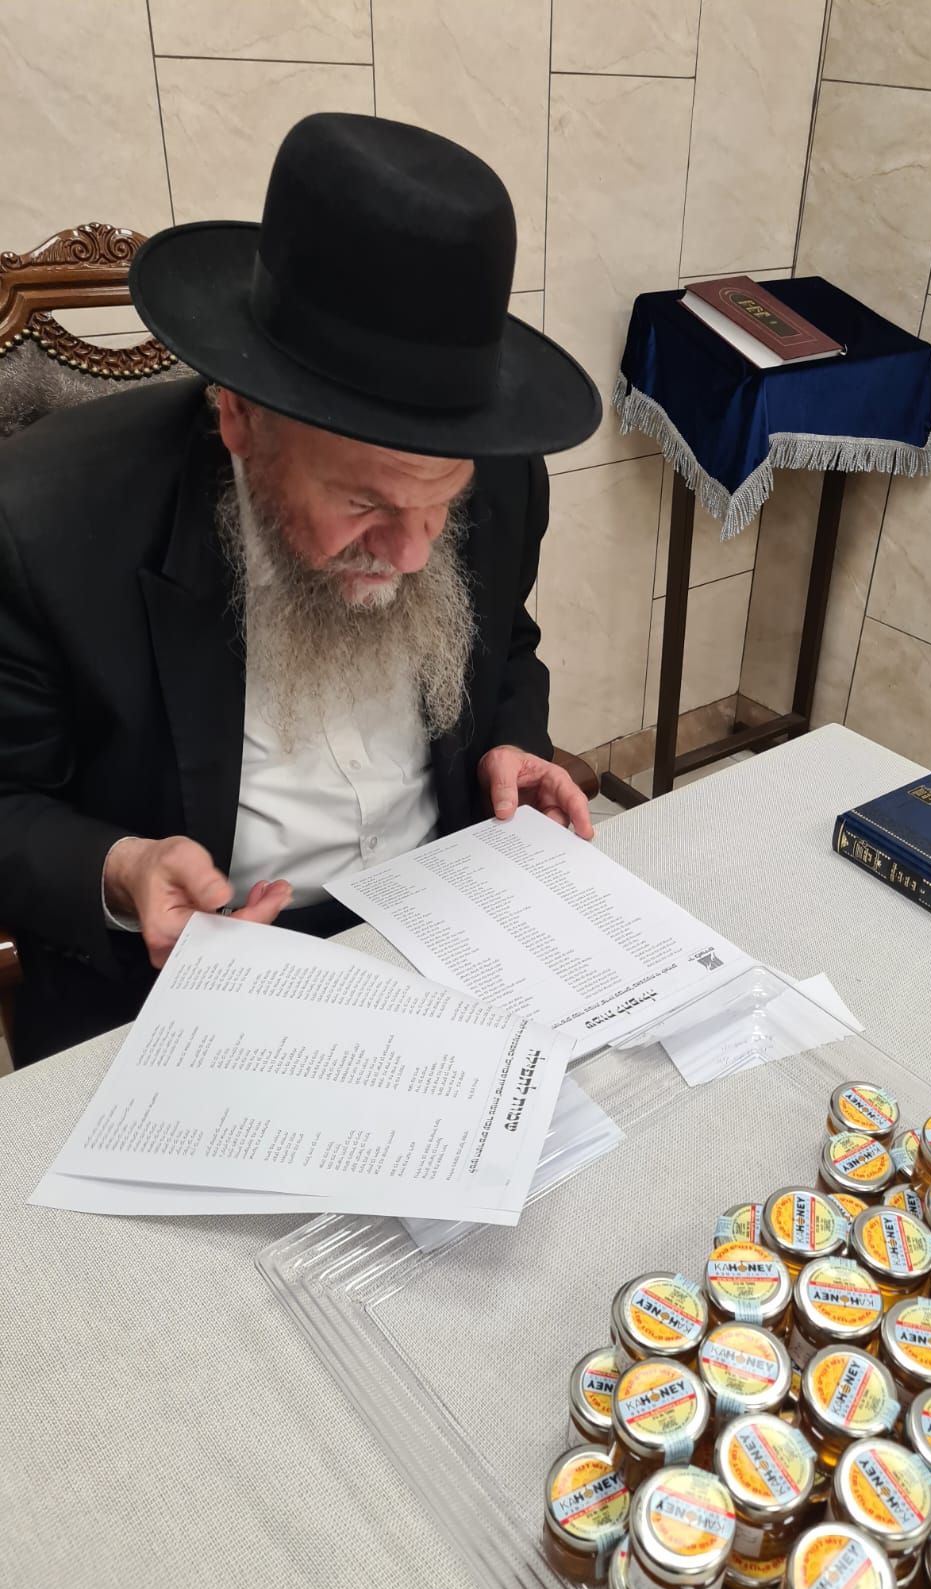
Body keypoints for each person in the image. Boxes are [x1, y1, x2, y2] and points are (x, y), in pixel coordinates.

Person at [0, 113, 603, 1067]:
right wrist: (122, 870)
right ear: (240, 418)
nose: (410, 556)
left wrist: (511, 743)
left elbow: (507, 643)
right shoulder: (43, 525)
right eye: (365, 503)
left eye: (439, 504)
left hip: (441, 924)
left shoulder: (504, 472)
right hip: (181, 982)